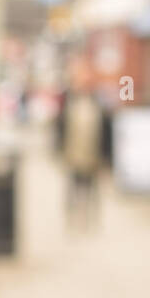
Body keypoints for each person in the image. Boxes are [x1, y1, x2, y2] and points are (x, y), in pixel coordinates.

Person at [62, 87, 104, 227]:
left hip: (83, 157)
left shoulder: (74, 110)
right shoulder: (91, 111)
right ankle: (77, 218)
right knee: (79, 189)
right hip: (81, 156)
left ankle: (82, 218)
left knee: (83, 189)